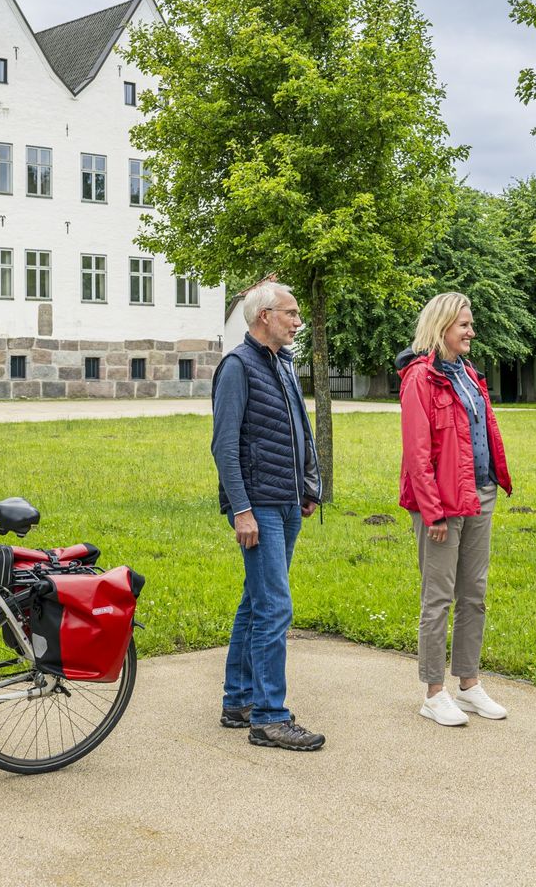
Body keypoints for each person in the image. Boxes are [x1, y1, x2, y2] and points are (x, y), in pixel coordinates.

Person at [210, 280, 326, 750]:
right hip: (258, 505)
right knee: (275, 607)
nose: (298, 321)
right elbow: (224, 445)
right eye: (290, 313)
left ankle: (239, 700)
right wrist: (241, 509)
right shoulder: (238, 366)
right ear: (265, 317)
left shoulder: (283, 363)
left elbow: (299, 429)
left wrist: (308, 486)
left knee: (256, 602)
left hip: (287, 500)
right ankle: (269, 717)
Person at [396, 292, 513, 727]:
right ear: (442, 326)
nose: (471, 332)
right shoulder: (419, 377)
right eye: (464, 325)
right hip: (441, 505)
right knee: (438, 598)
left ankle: (468, 684)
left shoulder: (468, 373)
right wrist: (433, 512)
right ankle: (433, 692)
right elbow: (417, 452)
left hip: (479, 494)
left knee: (474, 594)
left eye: (470, 324)